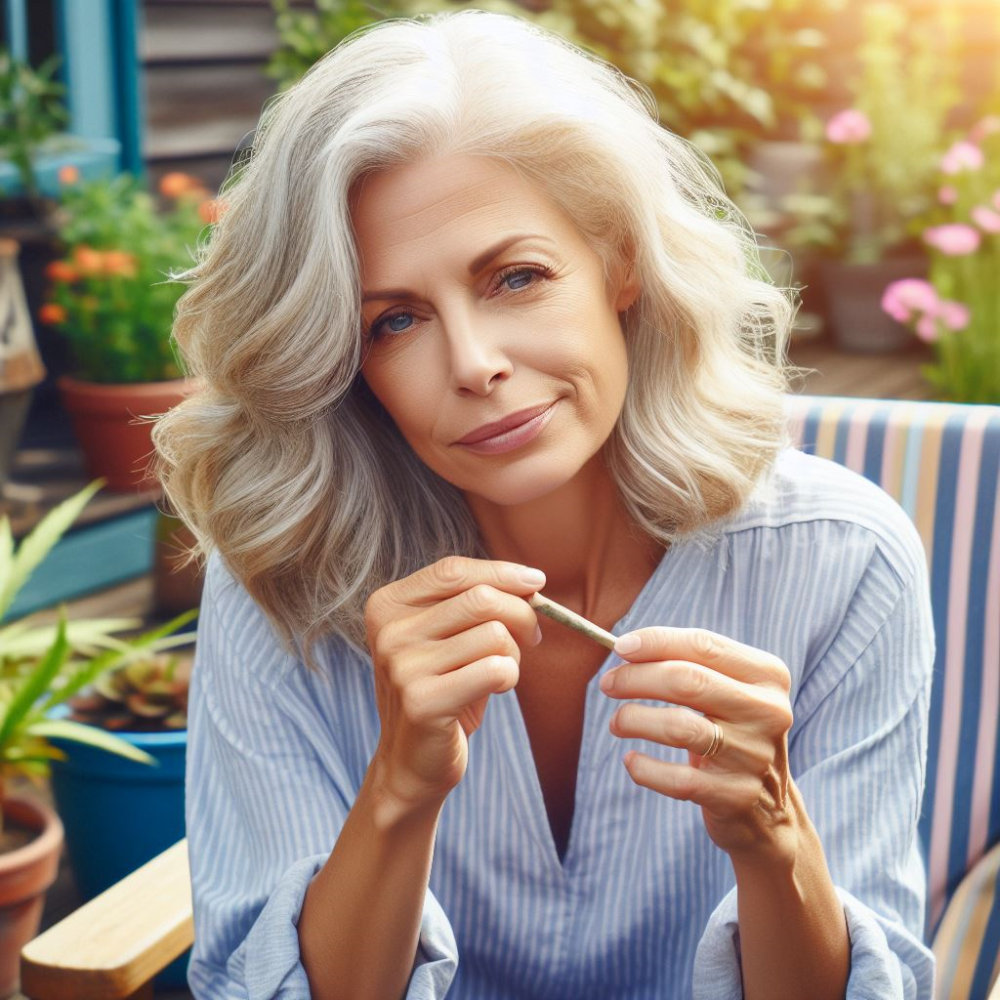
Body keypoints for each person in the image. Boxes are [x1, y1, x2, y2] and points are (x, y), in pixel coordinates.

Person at [152, 9, 936, 999]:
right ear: (344, 362)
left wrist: (773, 836)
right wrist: (399, 786)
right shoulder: (277, 572)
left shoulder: (844, 560)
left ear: (619, 262)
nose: (474, 363)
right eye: (394, 321)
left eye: (515, 276)